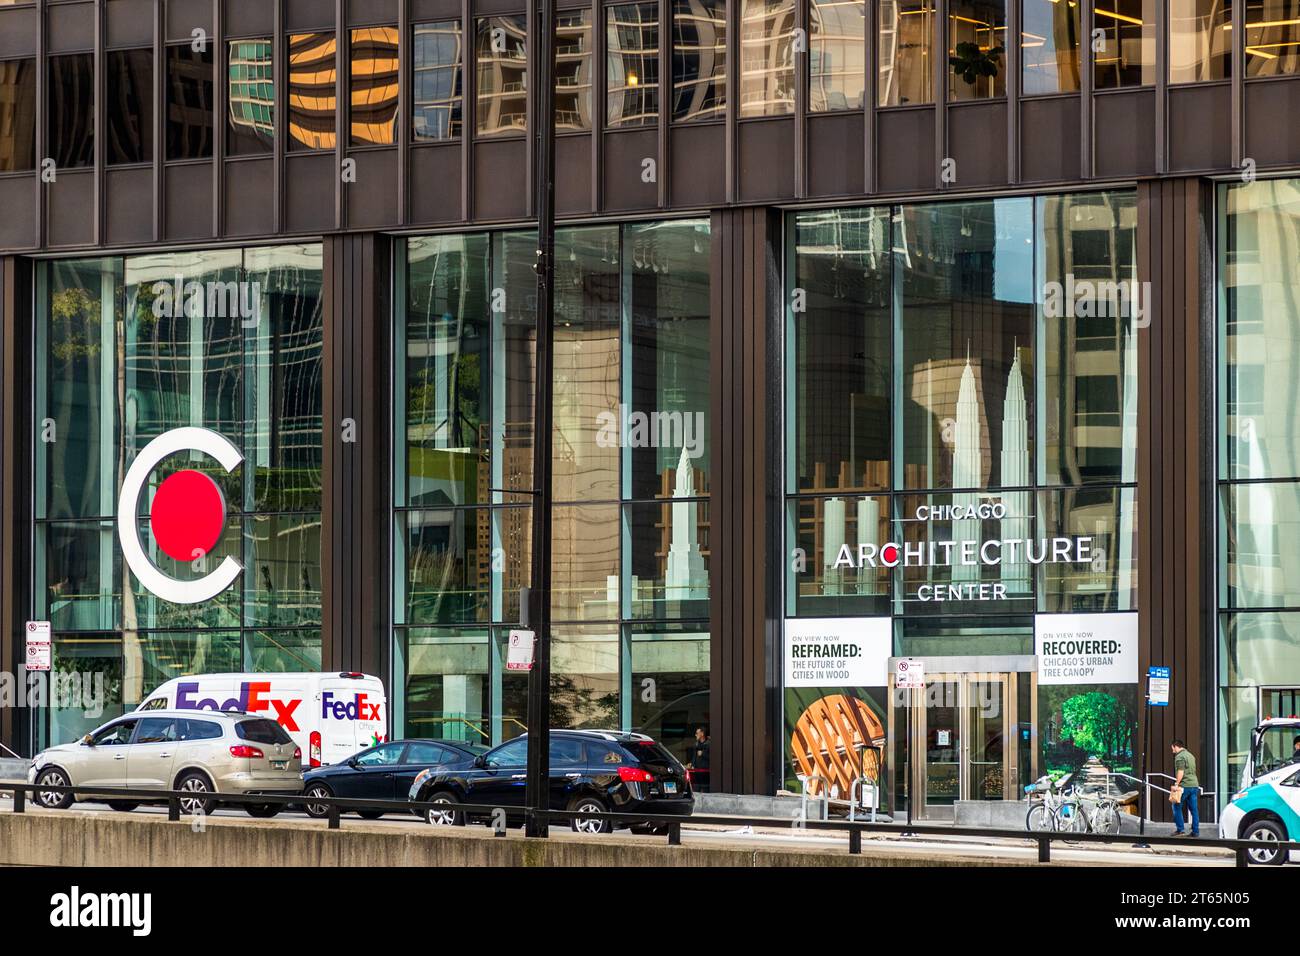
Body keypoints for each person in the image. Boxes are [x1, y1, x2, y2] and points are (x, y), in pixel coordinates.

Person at [1170, 738, 1200, 837]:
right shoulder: (1191, 755)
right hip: (1194, 785)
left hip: (1184, 786)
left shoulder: (1179, 757)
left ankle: (1180, 830)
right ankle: (1195, 831)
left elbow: (1180, 772)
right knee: (1194, 809)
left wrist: (1176, 784)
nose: (1172, 750)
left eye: (1172, 748)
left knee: (1176, 806)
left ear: (1175, 746)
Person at [686, 727, 710, 793]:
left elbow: (714, 758)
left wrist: (703, 754)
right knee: (695, 790)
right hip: (697, 772)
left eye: (697, 733)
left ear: (702, 734)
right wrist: (691, 763)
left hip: (705, 773)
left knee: (705, 790)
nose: (695, 735)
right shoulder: (696, 744)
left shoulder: (709, 744)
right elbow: (694, 757)